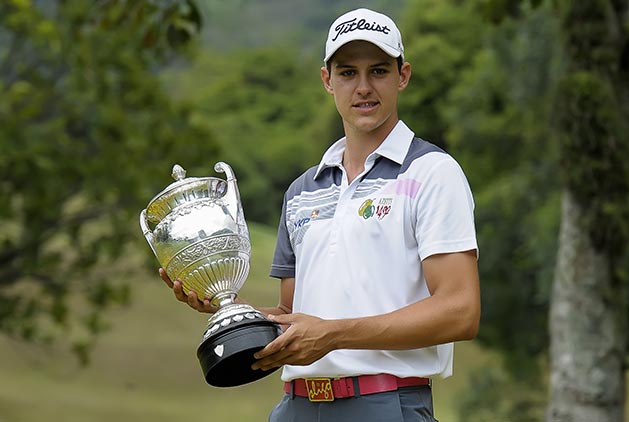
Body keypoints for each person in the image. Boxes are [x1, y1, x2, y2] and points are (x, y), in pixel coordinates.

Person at [160, 7, 480, 422]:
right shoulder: (302, 190)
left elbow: (461, 310)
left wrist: (332, 335)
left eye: (379, 71)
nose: (363, 87)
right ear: (327, 80)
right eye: (347, 73)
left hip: (385, 403)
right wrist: (229, 308)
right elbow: (293, 316)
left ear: (403, 76)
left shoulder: (433, 173)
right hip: (296, 407)